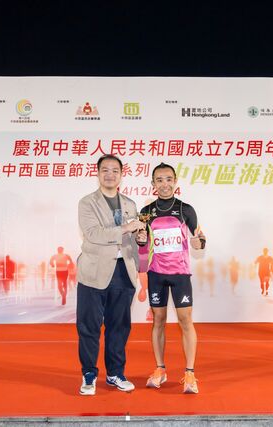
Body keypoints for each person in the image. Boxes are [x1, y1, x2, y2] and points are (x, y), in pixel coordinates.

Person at [76, 154, 144, 396]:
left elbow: (133, 240)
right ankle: (89, 374)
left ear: (121, 175)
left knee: (119, 327)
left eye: (115, 170)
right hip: (93, 272)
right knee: (89, 327)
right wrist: (126, 228)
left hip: (124, 272)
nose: (110, 174)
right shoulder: (87, 203)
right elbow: (93, 233)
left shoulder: (130, 204)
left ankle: (115, 373)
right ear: (97, 173)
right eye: (105, 170)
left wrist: (140, 238)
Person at [136, 163, 206, 394]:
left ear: (175, 181)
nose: (164, 184)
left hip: (180, 274)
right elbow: (142, 245)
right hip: (156, 274)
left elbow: (200, 239)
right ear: (153, 184)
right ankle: (160, 369)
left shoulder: (186, 210)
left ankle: (190, 372)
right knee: (158, 320)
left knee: (186, 321)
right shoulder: (146, 211)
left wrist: (199, 243)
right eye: (159, 180)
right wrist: (139, 240)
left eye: (168, 179)